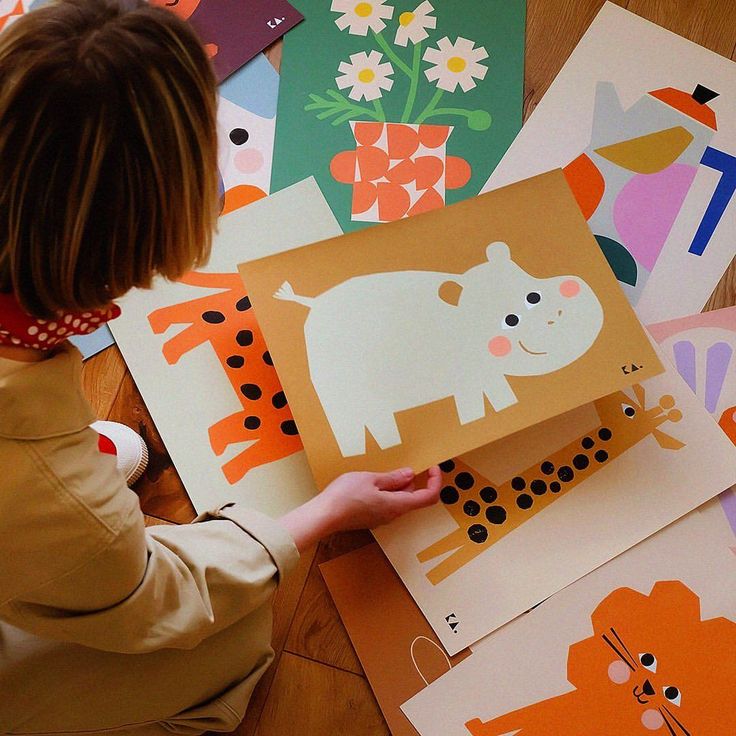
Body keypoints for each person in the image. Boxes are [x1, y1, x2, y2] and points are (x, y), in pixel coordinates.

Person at [0, 1, 441, 733]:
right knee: (230, 633)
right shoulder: (46, 488)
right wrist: (324, 513)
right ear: (148, 235)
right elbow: (147, 603)